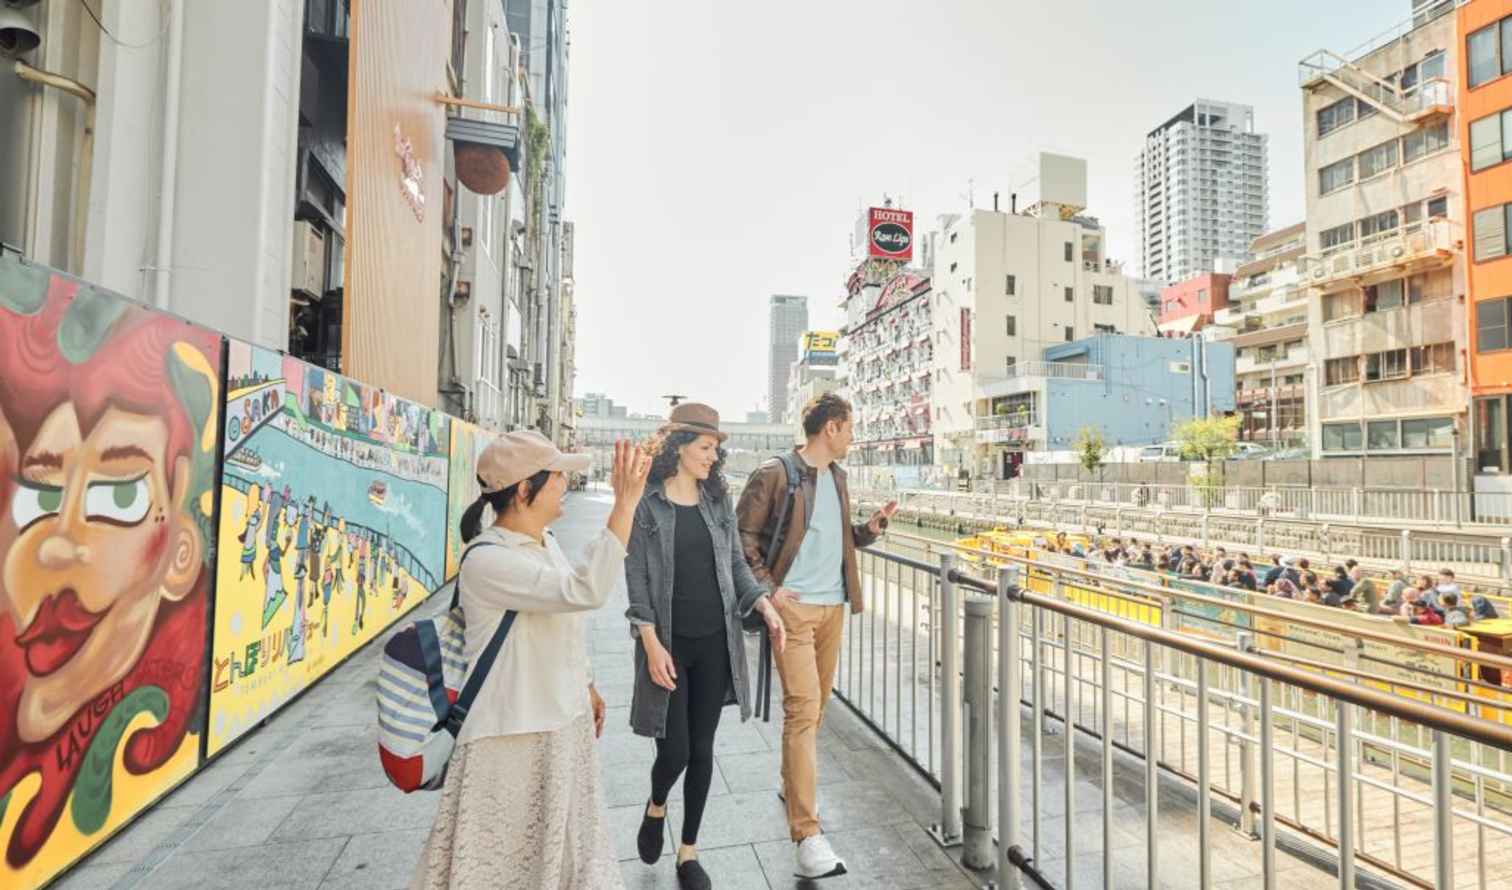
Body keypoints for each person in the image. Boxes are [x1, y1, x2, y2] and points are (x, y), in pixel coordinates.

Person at [410, 435, 651, 890]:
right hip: (510, 738)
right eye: (557, 475)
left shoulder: (544, 543)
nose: (566, 482)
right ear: (524, 490)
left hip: (561, 725)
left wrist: (587, 683)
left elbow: (562, 619)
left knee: (563, 860)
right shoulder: (489, 560)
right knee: (504, 867)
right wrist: (624, 505)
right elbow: (586, 591)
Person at [735, 393, 897, 879]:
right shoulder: (775, 473)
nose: (852, 437)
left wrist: (868, 530)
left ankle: (793, 781)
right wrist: (770, 591)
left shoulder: (837, 477)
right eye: (849, 428)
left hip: (833, 609)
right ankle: (807, 834)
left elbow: (835, 534)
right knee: (802, 712)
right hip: (796, 612)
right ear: (831, 427)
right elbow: (740, 540)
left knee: (817, 707)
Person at [625, 405, 787, 890]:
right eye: (705, 448)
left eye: (716, 449)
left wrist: (762, 602)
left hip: (716, 643)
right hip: (667, 645)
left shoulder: (718, 501)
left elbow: (737, 564)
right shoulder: (646, 505)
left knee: (701, 749)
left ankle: (688, 851)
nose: (713, 458)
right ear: (678, 449)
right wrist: (650, 643)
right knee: (671, 751)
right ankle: (656, 806)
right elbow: (636, 585)